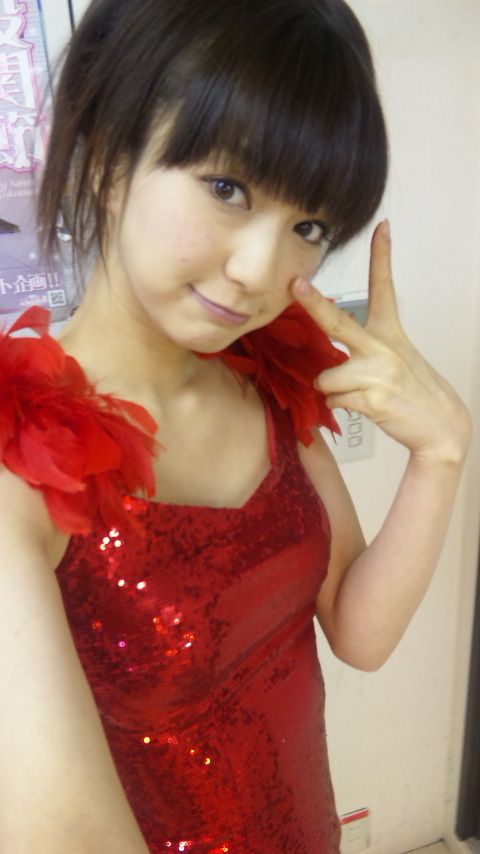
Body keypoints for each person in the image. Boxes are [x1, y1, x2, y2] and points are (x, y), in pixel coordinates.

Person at [0, 0, 471, 852]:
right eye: (226, 188)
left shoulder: (268, 379)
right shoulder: (17, 457)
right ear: (107, 156)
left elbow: (356, 629)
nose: (261, 269)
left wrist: (441, 454)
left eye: (307, 226)